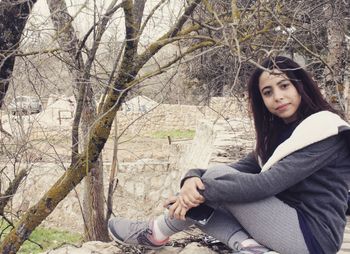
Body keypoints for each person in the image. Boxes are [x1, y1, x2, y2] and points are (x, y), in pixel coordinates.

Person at [108, 56, 350, 254]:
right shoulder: (280, 134)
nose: (277, 96)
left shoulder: (325, 130)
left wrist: (195, 195)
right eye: (267, 92)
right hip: (286, 223)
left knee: (217, 182)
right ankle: (249, 247)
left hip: (313, 238)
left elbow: (266, 185)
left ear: (301, 85)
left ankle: (155, 232)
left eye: (284, 85)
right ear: (261, 100)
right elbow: (239, 167)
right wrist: (191, 179)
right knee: (217, 178)